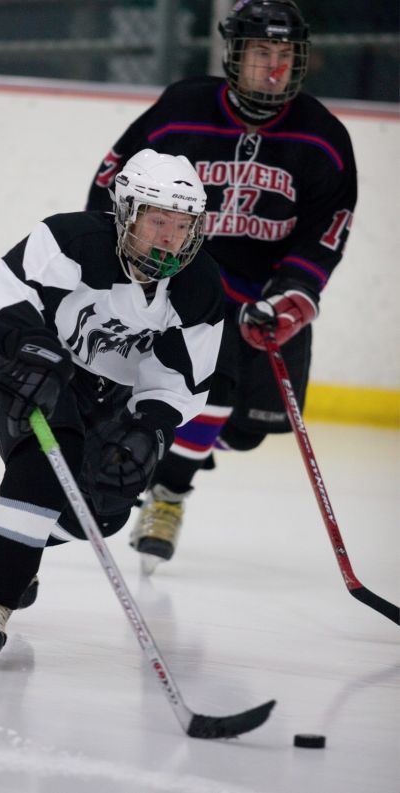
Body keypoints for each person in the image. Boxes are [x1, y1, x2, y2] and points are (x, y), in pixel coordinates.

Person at [86, 0, 357, 573]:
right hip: (179, 275)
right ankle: (168, 493)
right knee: (207, 390)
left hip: (262, 290)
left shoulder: (324, 137)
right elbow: (116, 181)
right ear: (235, 55)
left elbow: (325, 232)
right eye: (262, 53)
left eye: (286, 55)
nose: (275, 69)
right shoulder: (183, 107)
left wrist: (294, 294)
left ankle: (165, 459)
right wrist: (118, 261)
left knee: (248, 428)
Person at [0, 149, 224, 666]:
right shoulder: (71, 240)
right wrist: (31, 347)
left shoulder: (200, 286)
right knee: (43, 470)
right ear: (126, 211)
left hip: (110, 397)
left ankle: (5, 526)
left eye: (183, 223)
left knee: (107, 511)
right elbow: (7, 298)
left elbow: (180, 378)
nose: (169, 237)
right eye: (158, 219)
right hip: (29, 369)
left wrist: (152, 428)